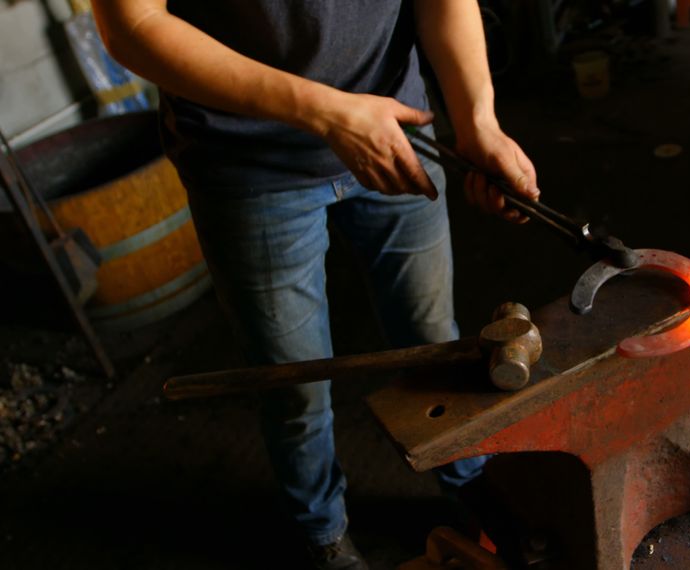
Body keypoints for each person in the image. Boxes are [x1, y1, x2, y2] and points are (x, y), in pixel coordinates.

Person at [91, 2, 539, 568]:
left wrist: (479, 122)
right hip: (250, 165)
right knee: (294, 382)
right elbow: (134, 25)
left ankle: (469, 482)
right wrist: (328, 113)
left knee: (435, 342)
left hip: (399, 130)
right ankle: (321, 531)